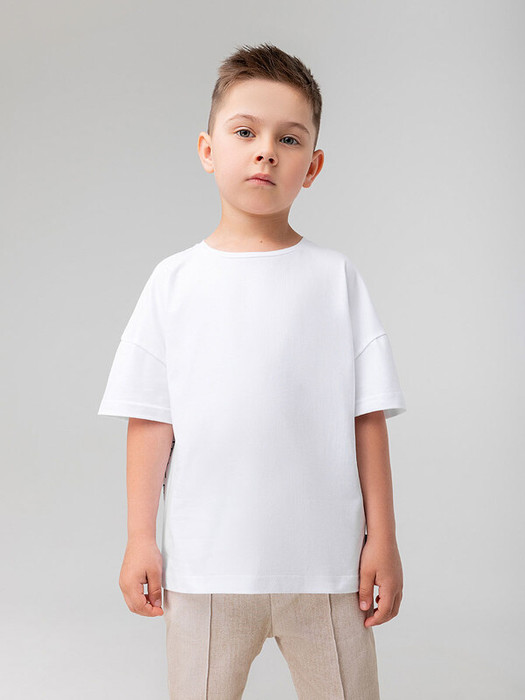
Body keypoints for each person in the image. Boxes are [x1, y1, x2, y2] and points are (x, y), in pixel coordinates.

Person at [98, 42, 407, 700]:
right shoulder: (173, 283)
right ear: (208, 149)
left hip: (327, 571)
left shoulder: (335, 280)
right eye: (245, 132)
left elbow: (367, 417)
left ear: (312, 166)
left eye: (288, 139)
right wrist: (140, 538)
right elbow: (150, 418)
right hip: (207, 569)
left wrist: (382, 539)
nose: (266, 151)